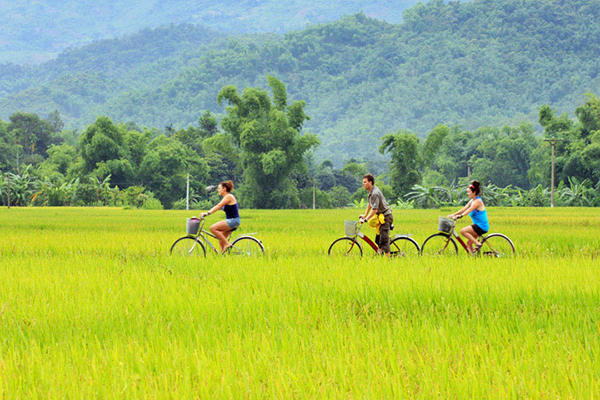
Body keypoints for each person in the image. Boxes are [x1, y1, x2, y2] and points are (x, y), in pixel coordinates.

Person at [448, 180, 489, 253]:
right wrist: (454, 214)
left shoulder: (477, 201)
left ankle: (478, 244)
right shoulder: (472, 200)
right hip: (477, 226)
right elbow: (464, 208)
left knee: (463, 231)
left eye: (469, 192)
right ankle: (473, 257)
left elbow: (470, 209)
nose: (467, 194)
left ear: (474, 192)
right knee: (469, 243)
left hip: (481, 226)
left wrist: (460, 216)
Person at [359, 173, 394, 258]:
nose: (363, 184)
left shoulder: (375, 193)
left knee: (384, 240)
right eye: (363, 182)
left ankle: (388, 261)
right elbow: (370, 204)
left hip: (385, 217)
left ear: (370, 182)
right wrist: (365, 215)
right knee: (378, 239)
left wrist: (366, 219)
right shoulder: (371, 192)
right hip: (380, 217)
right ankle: (380, 254)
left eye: (365, 182)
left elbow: (375, 210)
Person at [200, 180, 240, 253]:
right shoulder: (226, 197)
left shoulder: (229, 196)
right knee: (221, 239)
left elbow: (218, 206)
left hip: (233, 220)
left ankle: (227, 244)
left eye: (219, 188)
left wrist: (207, 213)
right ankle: (223, 256)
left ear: (224, 189)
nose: (218, 190)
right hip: (232, 221)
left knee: (213, 228)